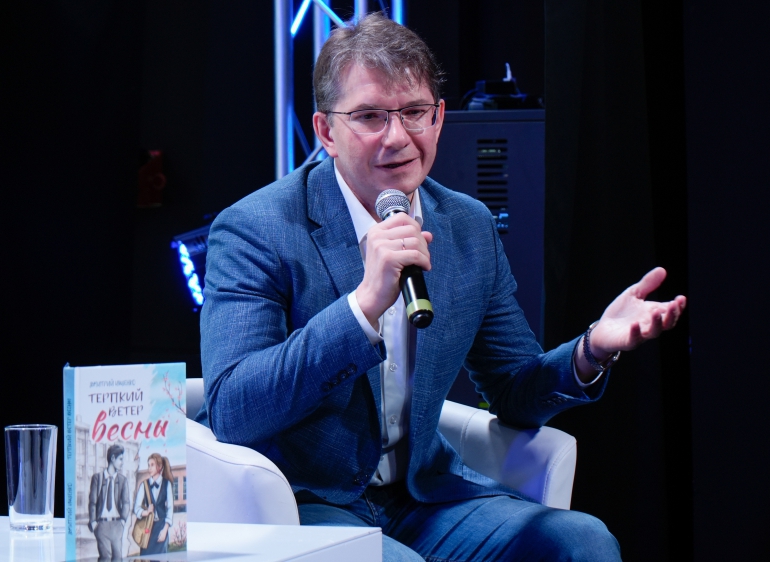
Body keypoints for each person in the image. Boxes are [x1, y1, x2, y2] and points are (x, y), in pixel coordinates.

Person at [196, 13, 685, 561]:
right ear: (327, 132)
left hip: (422, 497)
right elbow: (234, 409)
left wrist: (590, 350)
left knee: (582, 543)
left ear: (439, 118)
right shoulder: (256, 229)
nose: (397, 137)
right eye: (369, 117)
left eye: (413, 112)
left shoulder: (468, 226)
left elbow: (512, 388)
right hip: (299, 500)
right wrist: (361, 307)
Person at [87, 444, 131, 560]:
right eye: (120, 459)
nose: (122, 463)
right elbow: (92, 502)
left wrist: (123, 521)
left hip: (117, 525)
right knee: (105, 557)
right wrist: (93, 522)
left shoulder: (122, 480)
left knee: (117, 557)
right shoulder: (97, 478)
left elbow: (126, 502)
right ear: (112, 458)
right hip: (101, 525)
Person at [132, 453, 174, 555]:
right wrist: (146, 512)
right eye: (148, 465)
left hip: (161, 528)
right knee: (146, 557)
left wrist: (165, 530)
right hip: (147, 528)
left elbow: (170, 508)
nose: (149, 468)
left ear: (159, 467)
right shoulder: (144, 485)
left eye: (152, 465)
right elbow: (136, 508)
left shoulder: (167, 484)